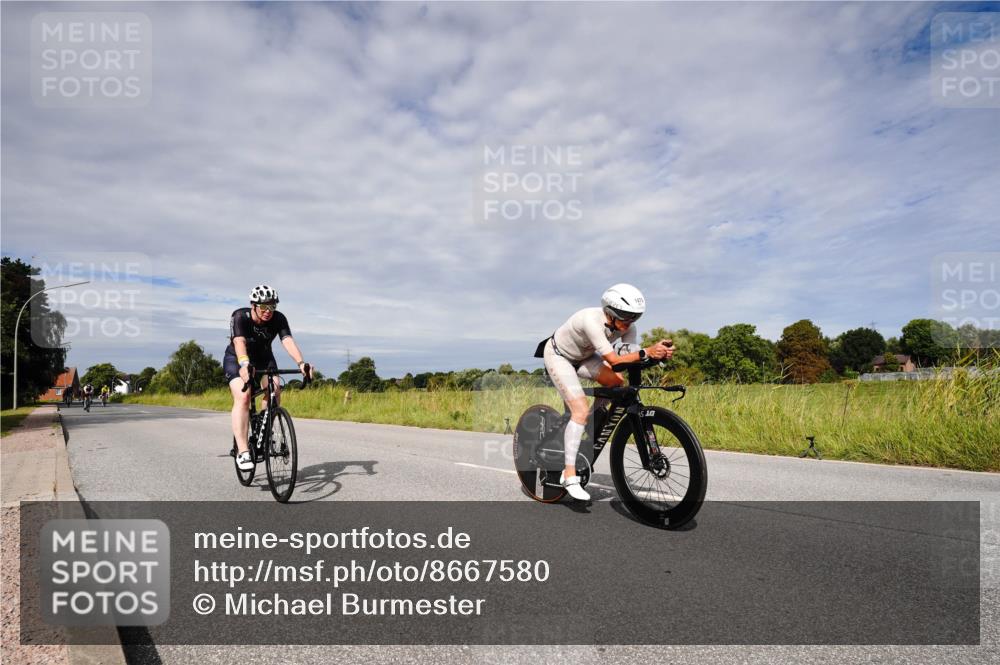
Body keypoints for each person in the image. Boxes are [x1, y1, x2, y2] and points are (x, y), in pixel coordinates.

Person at [538, 284, 674, 501]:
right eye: (625, 317)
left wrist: (656, 355)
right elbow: (614, 360)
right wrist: (647, 351)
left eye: (635, 317)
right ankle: (569, 475)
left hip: (585, 357)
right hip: (559, 356)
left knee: (616, 382)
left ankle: (588, 421)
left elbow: (629, 355)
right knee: (579, 410)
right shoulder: (591, 321)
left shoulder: (628, 328)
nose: (629, 322)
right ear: (610, 312)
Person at [224, 284, 312, 471]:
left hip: (264, 358)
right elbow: (239, 341)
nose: (268, 311)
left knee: (275, 389)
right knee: (244, 396)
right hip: (237, 359)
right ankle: (243, 451)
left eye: (272, 306)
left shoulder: (279, 318)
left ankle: (264, 430)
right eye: (264, 306)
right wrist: (244, 364)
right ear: (253, 305)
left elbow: (287, 340)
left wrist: (301, 363)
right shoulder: (240, 316)